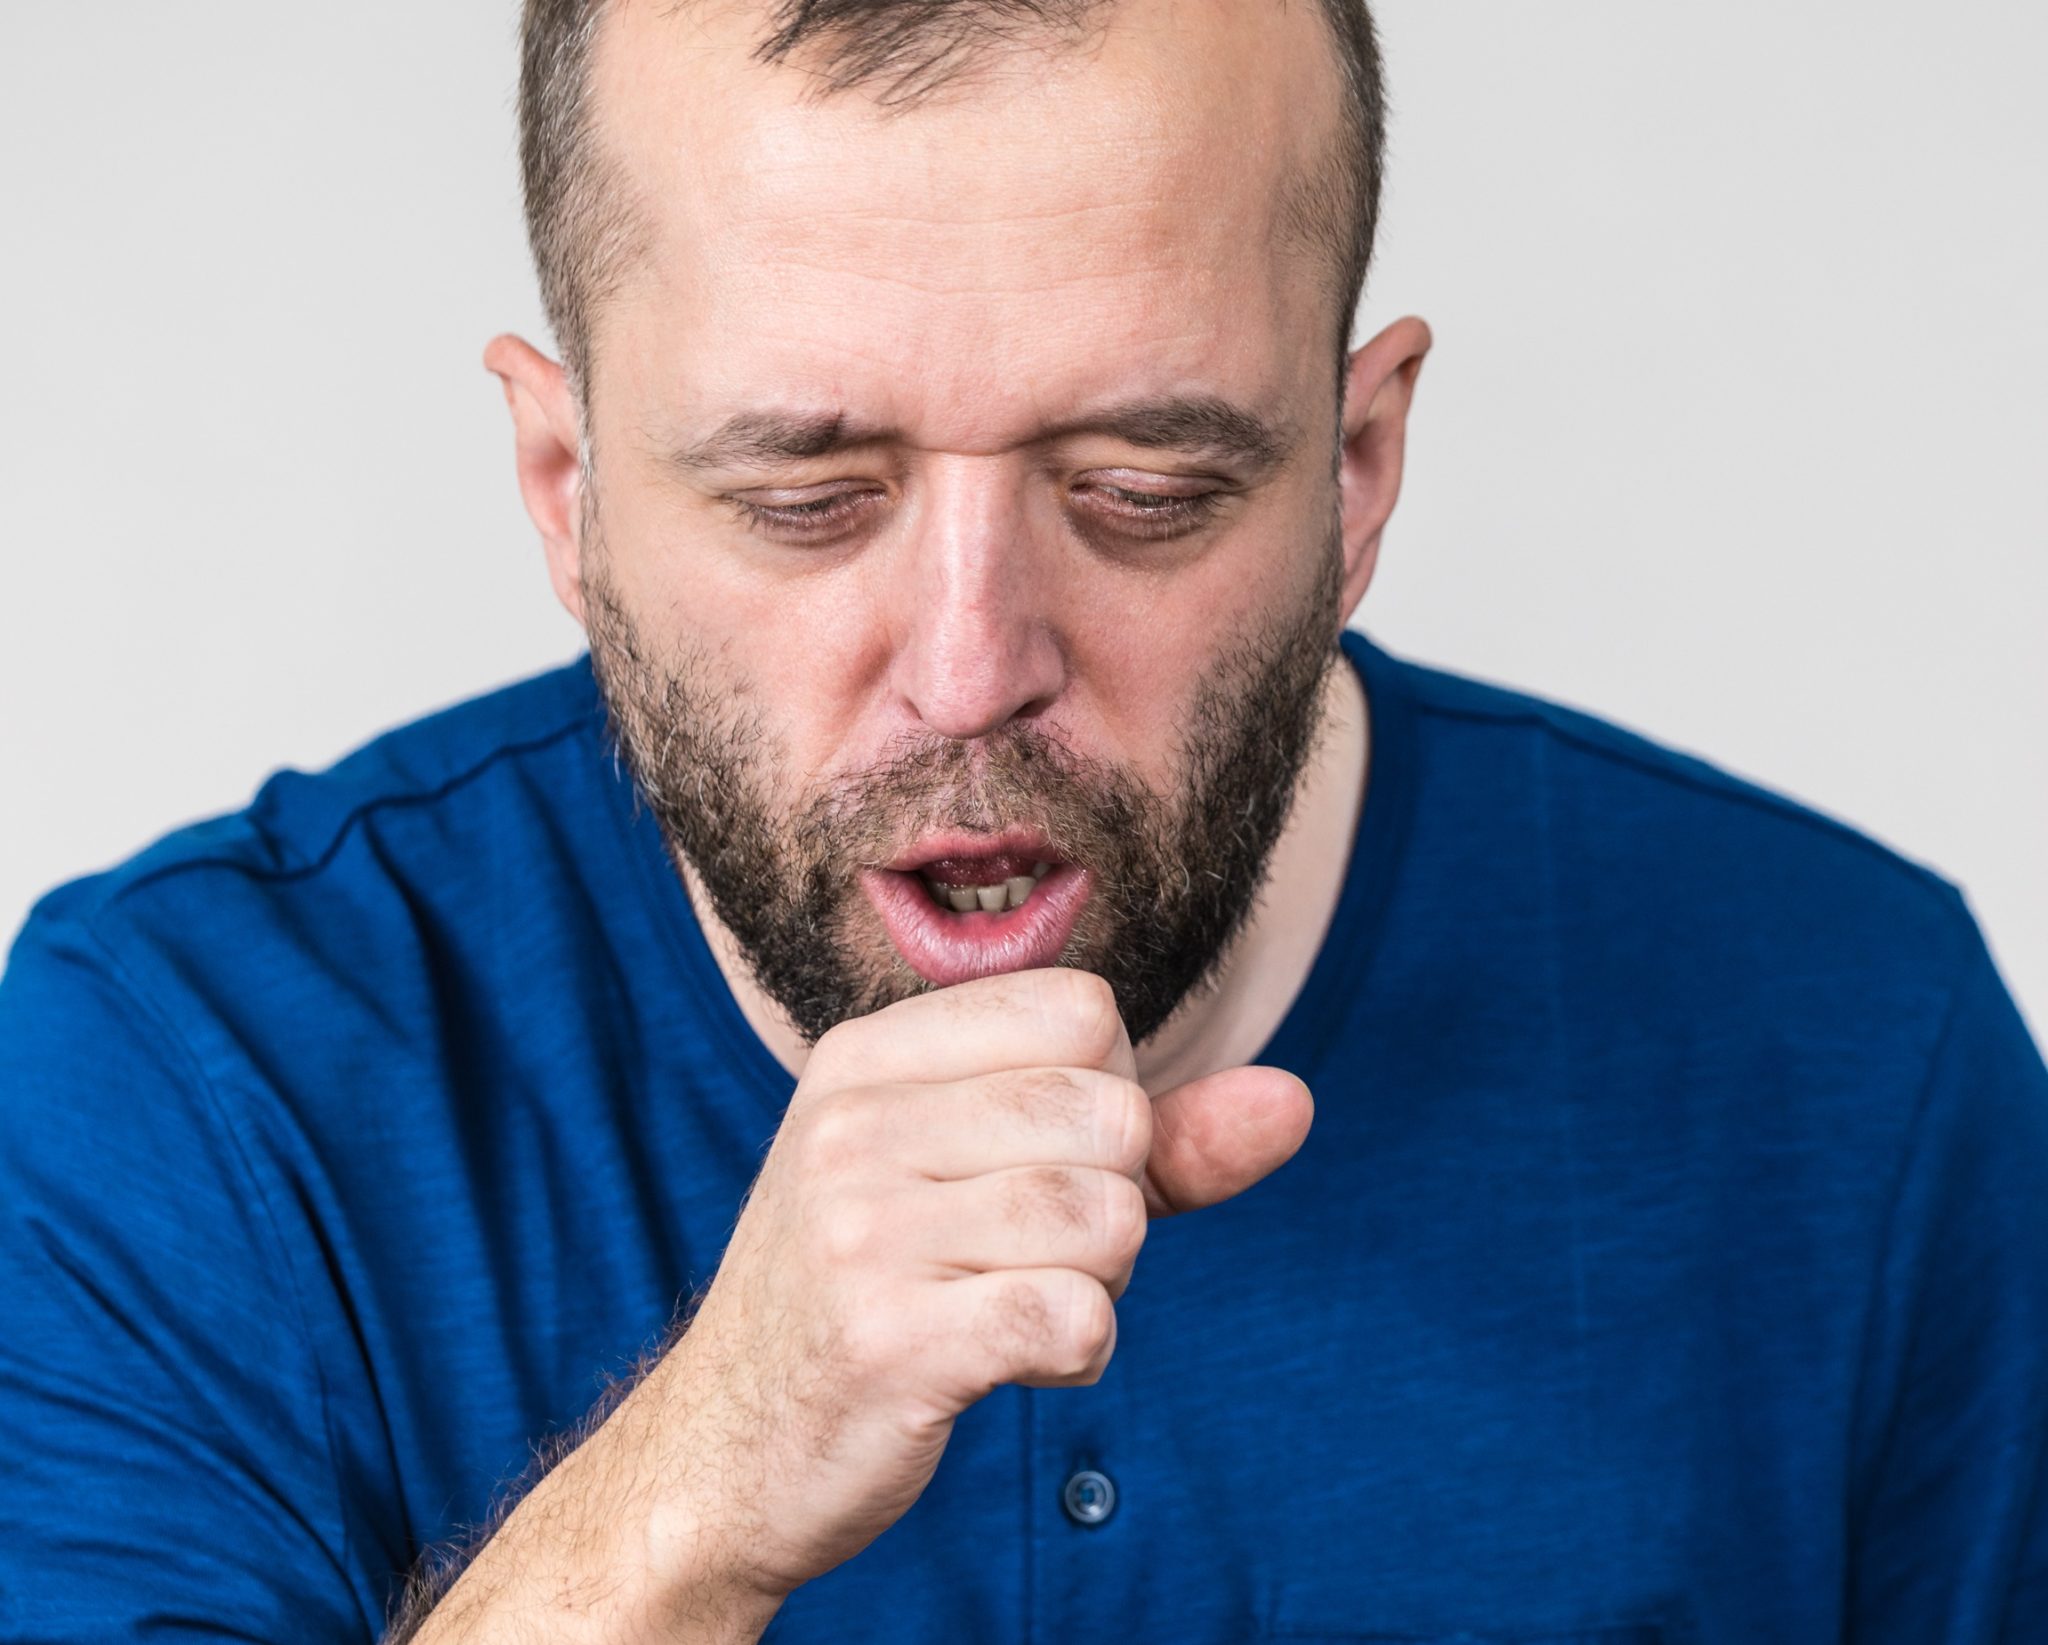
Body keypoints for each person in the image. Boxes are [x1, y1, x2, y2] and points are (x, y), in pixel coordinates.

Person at [1, 0, 2042, 1639]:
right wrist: (687, 1504)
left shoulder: (1859, 1056)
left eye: (1141, 487)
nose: (969, 668)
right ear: (567, 487)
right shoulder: (193, 1081)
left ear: (1355, 467)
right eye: (808, 499)